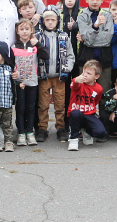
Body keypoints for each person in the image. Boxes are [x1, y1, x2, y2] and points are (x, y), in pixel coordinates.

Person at [37, 8, 75, 143]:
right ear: (43, 21)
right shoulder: (38, 37)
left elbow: (70, 55)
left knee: (60, 104)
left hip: (59, 76)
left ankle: (61, 127)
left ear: (58, 21)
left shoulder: (64, 36)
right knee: (43, 104)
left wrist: (67, 68)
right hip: (44, 76)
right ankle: (42, 128)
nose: (50, 22)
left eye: (53, 19)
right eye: (47, 20)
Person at [12, 20, 47, 146]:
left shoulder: (35, 45)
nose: (25, 31)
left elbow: (45, 55)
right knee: (20, 107)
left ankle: (30, 131)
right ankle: (21, 132)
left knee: (31, 107)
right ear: (17, 31)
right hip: (19, 82)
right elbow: (11, 63)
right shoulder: (14, 46)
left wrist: (38, 44)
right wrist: (14, 76)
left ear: (32, 30)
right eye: (22, 29)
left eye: (27, 29)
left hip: (32, 81)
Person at [77, 0, 115, 90]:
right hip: (86, 58)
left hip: (104, 59)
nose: (95, 1)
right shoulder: (82, 17)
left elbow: (107, 39)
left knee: (104, 91)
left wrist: (89, 39)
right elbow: (86, 37)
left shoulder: (107, 16)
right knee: (85, 91)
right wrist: (95, 26)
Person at [67, 60, 106, 151]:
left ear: (96, 76)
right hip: (76, 113)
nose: (84, 75)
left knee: (101, 132)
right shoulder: (78, 83)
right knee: (76, 114)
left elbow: (95, 101)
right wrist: (76, 80)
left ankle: (86, 131)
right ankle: (73, 139)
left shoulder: (98, 88)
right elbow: (74, 85)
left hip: (89, 114)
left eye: (88, 73)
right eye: (84, 72)